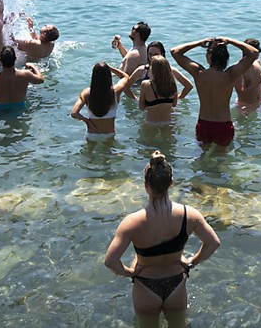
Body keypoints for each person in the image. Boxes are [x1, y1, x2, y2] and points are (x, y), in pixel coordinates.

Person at [104, 151, 221, 321]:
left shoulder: (131, 223)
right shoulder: (190, 215)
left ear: (146, 185)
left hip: (146, 286)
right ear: (171, 183)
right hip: (177, 286)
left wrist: (129, 273)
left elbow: (110, 261)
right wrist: (191, 262)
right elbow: (213, 243)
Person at [171, 37, 259, 147]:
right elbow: (254, 53)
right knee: (222, 159)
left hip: (203, 123)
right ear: (226, 58)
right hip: (223, 125)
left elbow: (175, 52)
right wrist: (230, 41)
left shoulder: (199, 73)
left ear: (209, 56)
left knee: (203, 156)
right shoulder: (230, 75)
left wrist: (198, 43)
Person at [71, 62, 129, 139]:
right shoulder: (115, 91)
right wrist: (110, 68)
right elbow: (125, 76)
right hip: (109, 134)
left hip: (92, 134)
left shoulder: (86, 93)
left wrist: (87, 121)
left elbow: (74, 113)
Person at [128, 41, 194, 100]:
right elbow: (126, 87)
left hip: (166, 108)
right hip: (149, 106)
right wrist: (136, 99)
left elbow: (188, 86)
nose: (152, 57)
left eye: (156, 54)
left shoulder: (170, 70)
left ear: (162, 54)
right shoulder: (142, 70)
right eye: (150, 54)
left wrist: (177, 99)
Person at [112, 22, 152, 98]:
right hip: (138, 86)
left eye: (133, 28)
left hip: (131, 91)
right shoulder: (144, 48)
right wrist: (120, 46)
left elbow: (124, 78)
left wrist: (109, 70)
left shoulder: (134, 54)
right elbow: (129, 59)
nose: (131, 29)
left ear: (137, 34)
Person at [137, 55, 178, 125]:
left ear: (153, 69)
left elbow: (141, 107)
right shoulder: (172, 84)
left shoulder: (145, 85)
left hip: (151, 123)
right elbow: (174, 104)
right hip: (168, 123)